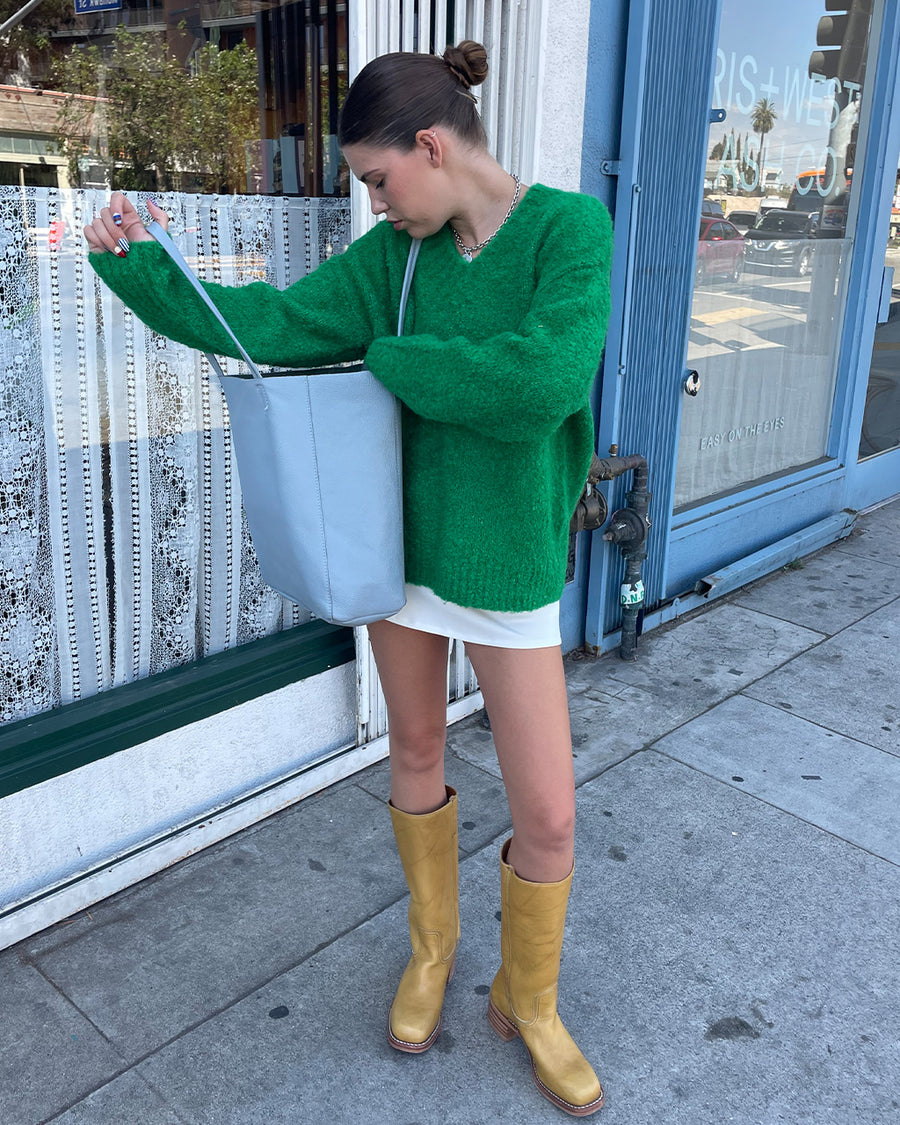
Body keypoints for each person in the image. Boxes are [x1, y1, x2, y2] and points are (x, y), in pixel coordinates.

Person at [84, 40, 613, 1118]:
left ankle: (531, 998)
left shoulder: (568, 229)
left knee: (548, 816)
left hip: (507, 565)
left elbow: (540, 383)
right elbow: (273, 324)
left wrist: (391, 359)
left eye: (378, 179)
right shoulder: (397, 264)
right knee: (414, 747)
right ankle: (431, 952)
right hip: (397, 558)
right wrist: (145, 269)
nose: (376, 205)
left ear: (429, 145)